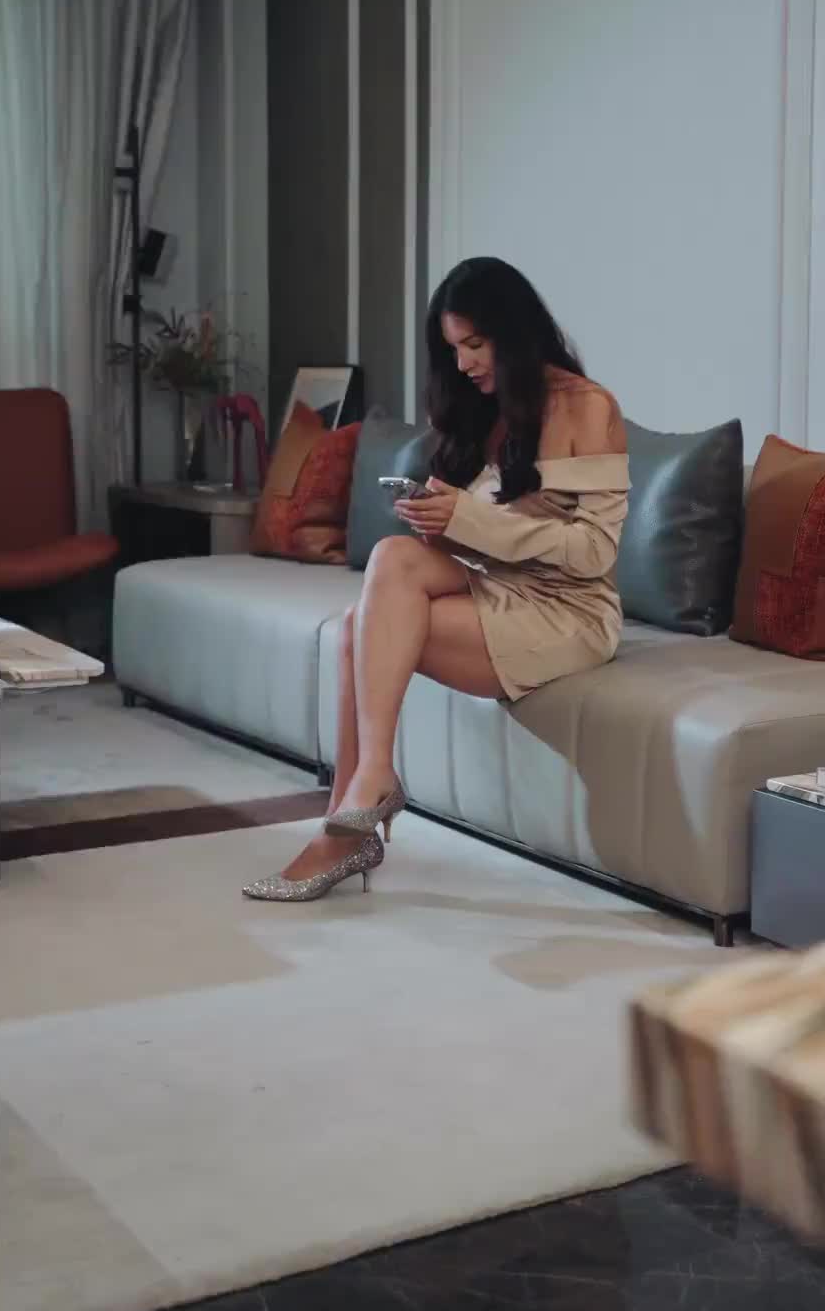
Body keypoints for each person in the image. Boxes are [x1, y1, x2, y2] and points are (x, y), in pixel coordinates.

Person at [243, 257, 630, 903]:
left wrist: (470, 519)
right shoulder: (488, 407)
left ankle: (351, 816)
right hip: (502, 585)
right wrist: (442, 523)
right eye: (453, 349)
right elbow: (491, 539)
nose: (464, 364)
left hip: (570, 611)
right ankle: (364, 790)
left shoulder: (588, 408)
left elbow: (593, 552)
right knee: (390, 566)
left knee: (360, 631)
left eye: (474, 345)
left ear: (514, 332)